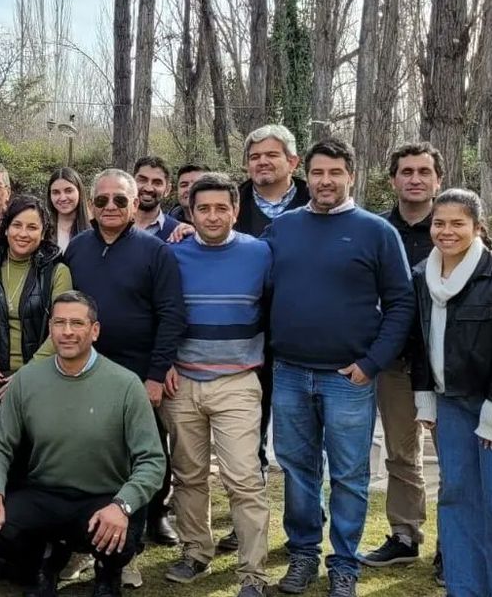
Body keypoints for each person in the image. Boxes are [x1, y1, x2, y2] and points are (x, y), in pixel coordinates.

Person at [264, 137, 414, 597]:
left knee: (349, 474)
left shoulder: (375, 231)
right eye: (317, 173)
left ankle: (345, 564)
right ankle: (303, 555)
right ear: (304, 175)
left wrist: (371, 363)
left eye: (334, 173)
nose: (325, 181)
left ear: (351, 175)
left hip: (348, 378)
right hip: (289, 371)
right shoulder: (283, 229)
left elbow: (402, 302)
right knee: (297, 468)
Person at [0, 291, 166, 597]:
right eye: (59, 323)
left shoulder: (126, 384)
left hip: (104, 497)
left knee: (121, 536)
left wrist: (122, 504)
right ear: (50, 329)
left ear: (95, 330)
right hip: (44, 492)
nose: (68, 331)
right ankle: (45, 561)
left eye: (77, 323)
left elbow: (152, 460)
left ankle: (108, 571)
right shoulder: (27, 380)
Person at [411, 188, 492, 597]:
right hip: (452, 405)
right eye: (439, 222)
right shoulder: (421, 276)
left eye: (457, 223)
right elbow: (418, 344)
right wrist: (425, 397)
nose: (446, 231)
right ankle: (465, 588)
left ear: (477, 227)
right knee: (457, 500)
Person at [64, 168, 185, 559]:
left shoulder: (156, 251)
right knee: (90, 452)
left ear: (135, 204)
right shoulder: (78, 248)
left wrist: (155, 374)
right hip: (87, 370)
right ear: (92, 205)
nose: (110, 206)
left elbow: (171, 315)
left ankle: (142, 529)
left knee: (145, 453)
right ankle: (85, 538)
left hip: (138, 371)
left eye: (120, 200)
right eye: (102, 200)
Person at [163, 173, 270, 596]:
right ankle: (195, 552)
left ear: (235, 210)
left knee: (243, 478)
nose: (212, 216)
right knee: (188, 475)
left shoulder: (260, 253)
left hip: (238, 381)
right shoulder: (172, 255)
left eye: (220, 208)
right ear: (189, 213)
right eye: (202, 208)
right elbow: (161, 312)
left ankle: (253, 574)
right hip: (183, 380)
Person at [223, 124, 309, 554]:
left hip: (301, 342)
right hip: (245, 343)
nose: (262, 162)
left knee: (298, 445)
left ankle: (302, 532)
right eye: (255, 156)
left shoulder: (320, 201)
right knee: (245, 442)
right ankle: (243, 526)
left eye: (271, 155)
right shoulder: (230, 203)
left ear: (292, 162)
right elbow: (197, 230)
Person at [362, 142, 443, 573]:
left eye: (423, 171)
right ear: (393, 179)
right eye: (406, 171)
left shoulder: (452, 225)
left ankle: (453, 546)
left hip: (449, 363)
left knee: (455, 458)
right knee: (401, 453)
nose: (415, 178)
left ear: (437, 180)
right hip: (394, 362)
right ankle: (405, 534)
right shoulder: (375, 229)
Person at [0, 196, 70, 454]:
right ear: (6, 227)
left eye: (32, 227)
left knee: (33, 457)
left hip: (40, 376)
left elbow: (61, 327)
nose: (23, 234)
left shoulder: (56, 271)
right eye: (17, 225)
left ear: (43, 232)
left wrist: (30, 373)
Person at [132, 156, 179, 241]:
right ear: (131, 183)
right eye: (142, 180)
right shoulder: (113, 224)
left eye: (157, 183)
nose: (148, 188)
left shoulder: (177, 232)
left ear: (167, 190)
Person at [46, 167, 90, 252]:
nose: (62, 198)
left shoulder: (94, 231)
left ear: (79, 192)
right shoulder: (42, 230)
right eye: (56, 192)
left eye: (68, 191)